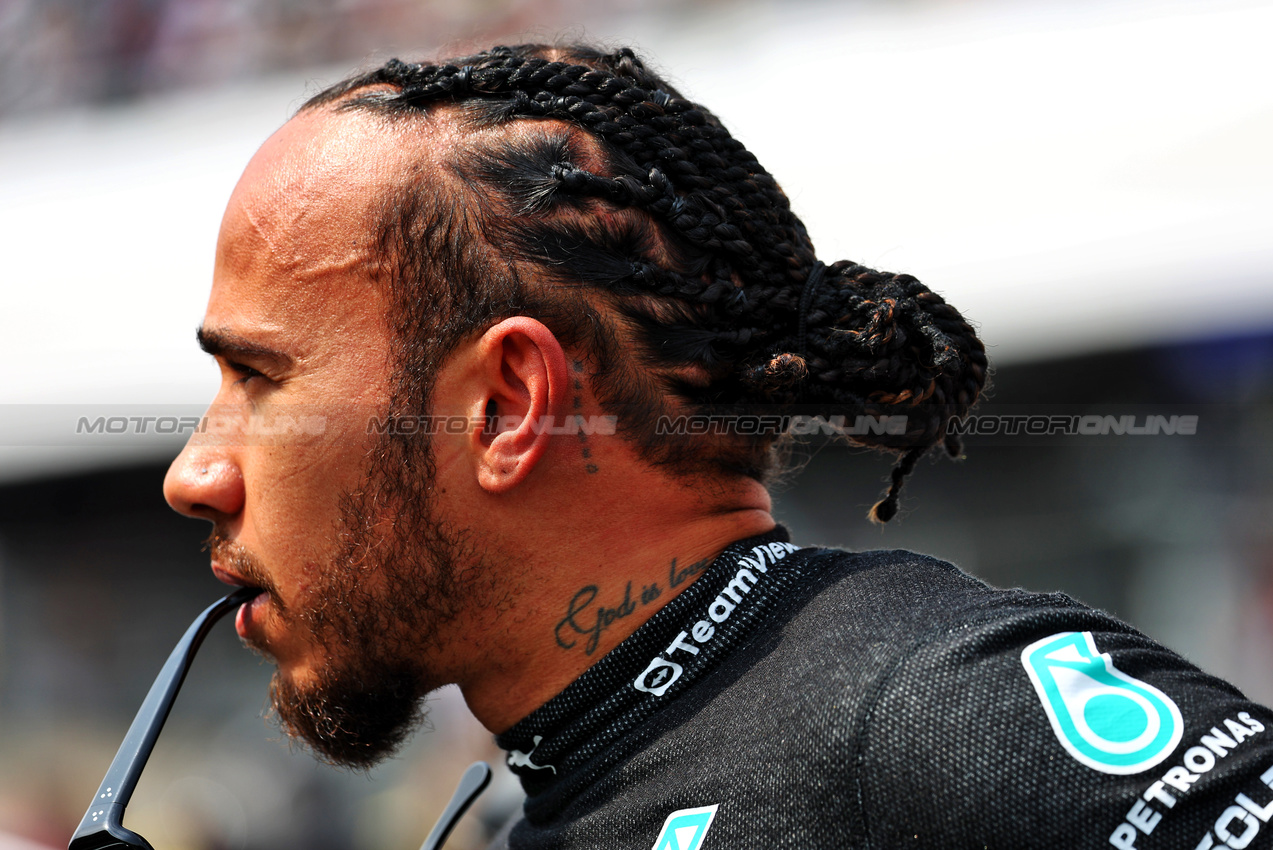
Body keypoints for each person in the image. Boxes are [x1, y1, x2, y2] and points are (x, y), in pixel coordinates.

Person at [162, 43, 1273, 850]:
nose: (194, 473)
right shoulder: (561, 789)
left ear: (505, 404)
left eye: (259, 378)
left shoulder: (935, 709)